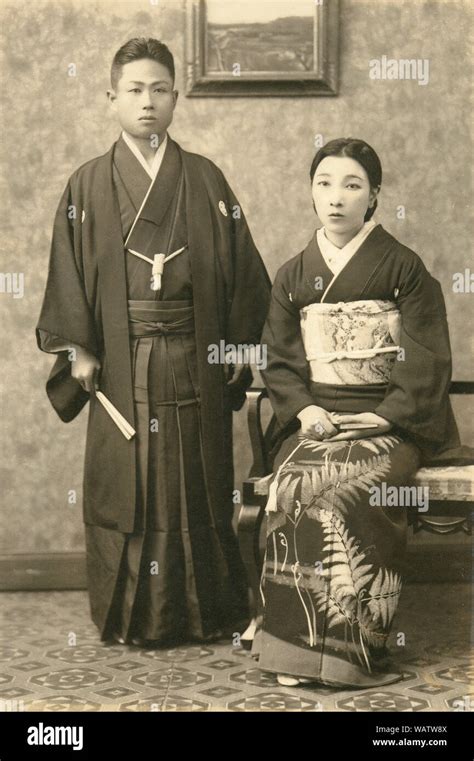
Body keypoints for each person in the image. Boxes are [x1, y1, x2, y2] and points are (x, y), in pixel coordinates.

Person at [36, 38, 271, 647]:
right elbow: (67, 273)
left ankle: (208, 609)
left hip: (196, 353)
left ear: (176, 97)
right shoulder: (87, 185)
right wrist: (78, 347)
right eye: (135, 90)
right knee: (132, 484)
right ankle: (132, 615)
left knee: (194, 479)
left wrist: (238, 346)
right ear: (111, 98)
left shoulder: (205, 178)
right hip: (122, 357)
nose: (148, 102)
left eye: (160, 89)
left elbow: (245, 274)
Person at [252, 137, 465, 688]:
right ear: (311, 191)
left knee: (358, 484)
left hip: (388, 422)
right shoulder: (293, 274)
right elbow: (279, 359)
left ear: (374, 196)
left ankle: (354, 653)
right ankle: (293, 653)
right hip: (319, 418)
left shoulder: (403, 266)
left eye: (352, 185)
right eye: (324, 183)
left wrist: (390, 415)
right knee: (296, 485)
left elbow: (427, 352)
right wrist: (302, 411)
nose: (336, 197)